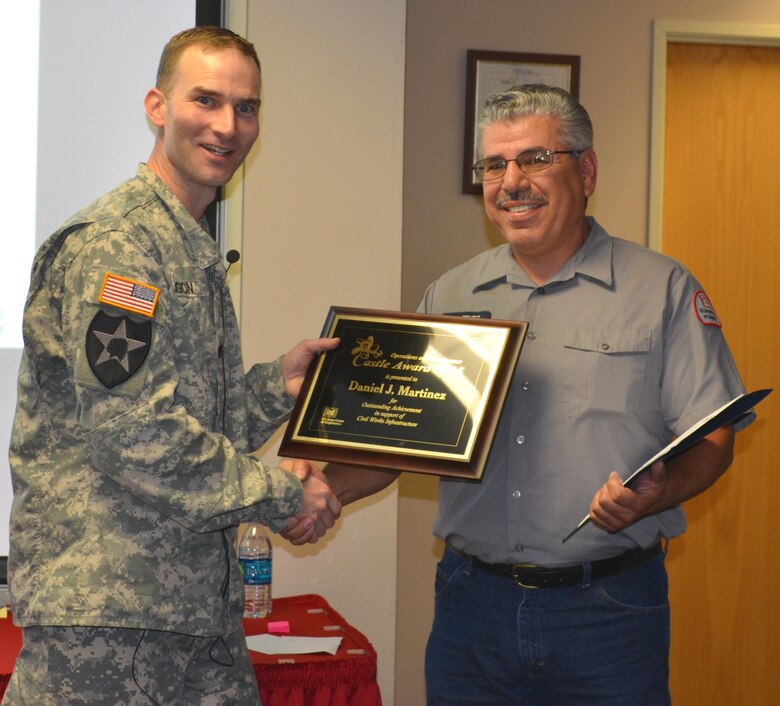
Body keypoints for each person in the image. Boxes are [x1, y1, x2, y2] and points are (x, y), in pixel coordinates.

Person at [288, 84, 754, 704]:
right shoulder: (449, 296)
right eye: (493, 165)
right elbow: (404, 439)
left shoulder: (661, 288)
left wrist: (659, 493)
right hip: (471, 608)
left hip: (608, 613)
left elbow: (715, 437)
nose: (511, 181)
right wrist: (326, 488)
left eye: (535, 159)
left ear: (585, 170)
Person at [4, 27, 341, 706]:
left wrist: (281, 386)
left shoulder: (185, 244)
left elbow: (192, 422)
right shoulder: (120, 247)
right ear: (157, 106)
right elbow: (137, 436)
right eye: (206, 101)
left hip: (188, 611)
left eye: (246, 108)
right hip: (109, 619)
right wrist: (281, 494)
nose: (227, 125)